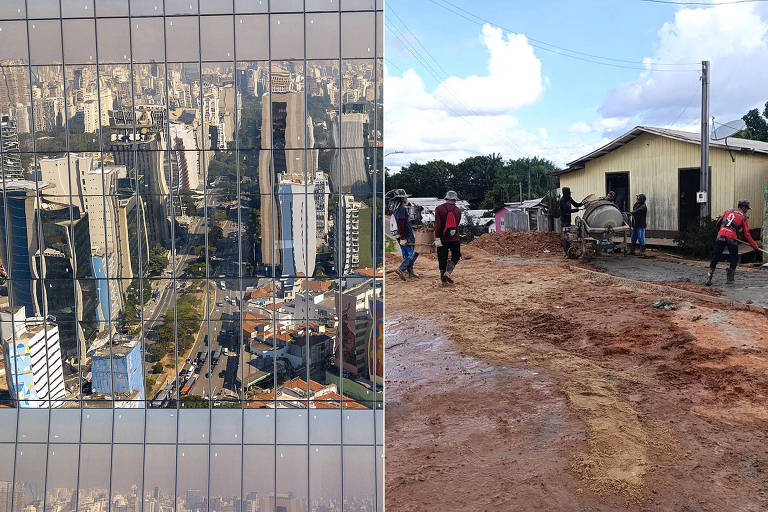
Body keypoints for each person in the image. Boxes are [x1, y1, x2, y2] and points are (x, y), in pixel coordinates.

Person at [705, 199, 760, 286]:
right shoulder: (743, 217)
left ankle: (709, 278)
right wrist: (754, 245)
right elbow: (747, 234)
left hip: (720, 236)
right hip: (731, 238)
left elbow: (718, 223)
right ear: (742, 207)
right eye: (746, 209)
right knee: (734, 257)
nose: (747, 211)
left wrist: (722, 230)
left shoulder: (728, 211)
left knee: (716, 256)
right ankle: (730, 280)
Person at [434, 190, 463, 284]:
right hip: (454, 238)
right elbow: (457, 224)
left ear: (446, 198)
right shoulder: (458, 210)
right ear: (455, 199)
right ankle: (448, 271)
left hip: (442, 238)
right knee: (456, 255)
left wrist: (437, 237)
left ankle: (442, 277)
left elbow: (438, 226)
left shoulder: (438, 209)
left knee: (442, 257)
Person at [391, 189, 418, 281]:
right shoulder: (402, 209)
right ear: (402, 198)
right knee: (414, 253)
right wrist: (403, 238)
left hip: (400, 235)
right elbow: (401, 223)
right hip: (406, 235)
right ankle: (401, 269)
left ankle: (410, 273)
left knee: (406, 254)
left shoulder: (396, 209)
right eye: (405, 196)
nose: (407, 198)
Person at [559, 187, 583, 255]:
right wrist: (576, 210)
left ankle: (569, 252)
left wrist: (582, 203)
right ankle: (566, 252)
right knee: (566, 237)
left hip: (568, 220)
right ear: (566, 193)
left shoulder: (569, 198)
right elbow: (566, 211)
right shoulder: (562, 200)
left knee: (568, 237)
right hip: (564, 221)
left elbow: (576, 204)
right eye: (569, 193)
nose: (570, 194)